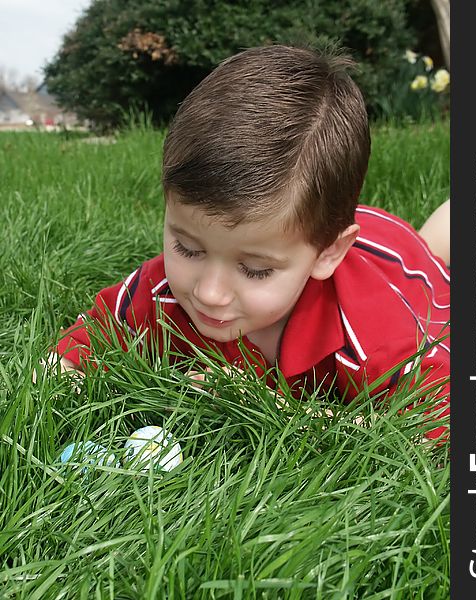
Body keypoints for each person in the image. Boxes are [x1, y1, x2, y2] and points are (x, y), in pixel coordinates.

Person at [52, 44, 450, 440]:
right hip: (316, 229)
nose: (209, 292)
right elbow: (85, 342)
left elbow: (437, 425)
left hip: (394, 257)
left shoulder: (375, 333)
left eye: (255, 269)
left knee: (437, 249)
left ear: (326, 253)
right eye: (188, 248)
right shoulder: (161, 295)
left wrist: (275, 409)